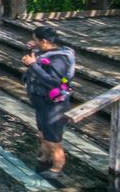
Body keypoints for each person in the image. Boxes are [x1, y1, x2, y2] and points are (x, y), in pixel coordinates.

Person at [22, 25, 76, 179]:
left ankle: (57, 168)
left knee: (53, 139)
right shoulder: (45, 51)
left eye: (35, 40)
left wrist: (32, 65)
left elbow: (54, 82)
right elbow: (33, 62)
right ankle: (45, 158)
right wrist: (29, 51)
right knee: (42, 133)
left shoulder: (59, 58)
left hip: (54, 106)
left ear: (44, 41)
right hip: (41, 103)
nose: (34, 42)